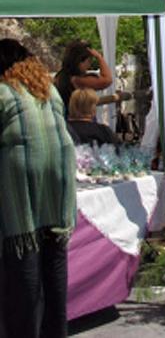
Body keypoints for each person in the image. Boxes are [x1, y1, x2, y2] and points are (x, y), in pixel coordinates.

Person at [0, 39, 76, 338]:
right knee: (54, 262)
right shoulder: (48, 90)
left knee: (24, 266)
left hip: (24, 182)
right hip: (59, 181)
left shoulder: (4, 93)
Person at [54, 40, 113, 115]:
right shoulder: (76, 80)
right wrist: (99, 57)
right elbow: (107, 80)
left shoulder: (61, 75)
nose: (89, 65)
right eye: (89, 61)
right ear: (80, 61)